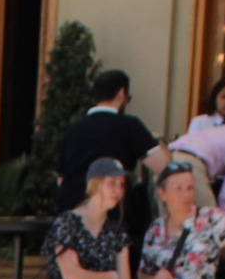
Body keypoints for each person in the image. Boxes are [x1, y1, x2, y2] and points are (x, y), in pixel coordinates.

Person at [56, 69, 157, 225]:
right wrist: (159, 141)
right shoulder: (129, 125)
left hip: (69, 211)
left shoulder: (73, 129)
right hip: (109, 216)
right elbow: (162, 166)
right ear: (122, 94)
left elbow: (61, 179)